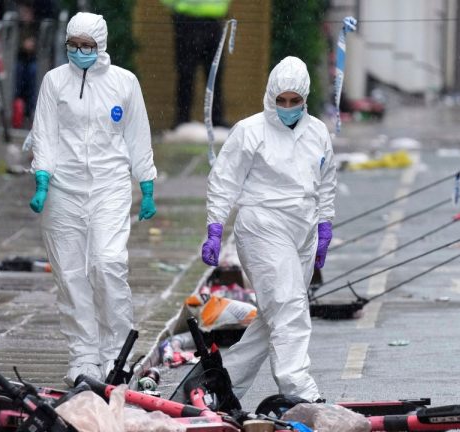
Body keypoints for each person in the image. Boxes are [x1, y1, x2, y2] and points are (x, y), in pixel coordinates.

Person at [27, 11, 158, 386]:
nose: (80, 52)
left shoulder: (124, 83)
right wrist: (42, 179)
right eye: (74, 45)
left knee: (108, 263)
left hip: (109, 186)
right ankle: (84, 355)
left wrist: (146, 183)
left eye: (88, 46)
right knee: (70, 274)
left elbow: (138, 136)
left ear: (101, 46)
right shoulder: (55, 82)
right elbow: (45, 134)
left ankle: (117, 354)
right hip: (63, 189)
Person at [200, 56, 336, 402]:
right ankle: (298, 388)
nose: (288, 108)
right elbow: (224, 180)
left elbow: (326, 181)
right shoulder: (250, 131)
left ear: (305, 99)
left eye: (295, 101)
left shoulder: (317, 131)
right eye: (281, 101)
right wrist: (215, 225)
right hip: (262, 225)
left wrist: (324, 224)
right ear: (270, 96)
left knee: (274, 314)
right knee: (289, 306)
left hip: (302, 230)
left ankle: (224, 383)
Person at [160, 0, 231, 128]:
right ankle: (183, 119)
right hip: (188, 21)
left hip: (214, 21)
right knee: (186, 74)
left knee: (214, 74)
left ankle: (216, 119)